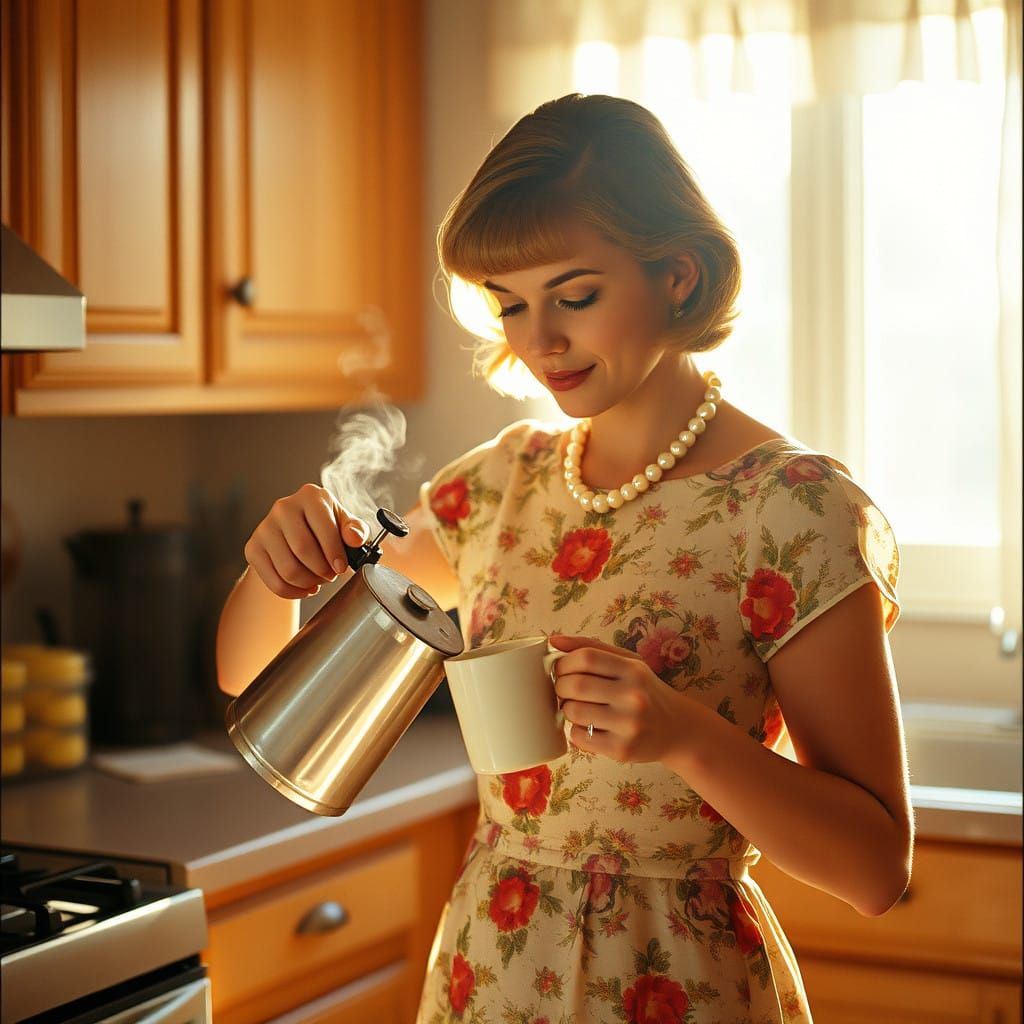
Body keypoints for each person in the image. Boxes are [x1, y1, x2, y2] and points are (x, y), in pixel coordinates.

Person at [217, 94, 913, 1023]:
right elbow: (252, 680)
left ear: (678, 273)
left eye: (574, 297)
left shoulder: (790, 508)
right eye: (509, 304)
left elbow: (875, 870)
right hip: (490, 974)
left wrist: (683, 736)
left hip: (677, 985)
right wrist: (277, 574)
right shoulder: (502, 485)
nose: (538, 340)